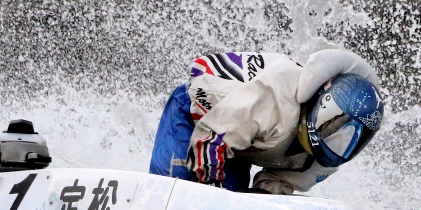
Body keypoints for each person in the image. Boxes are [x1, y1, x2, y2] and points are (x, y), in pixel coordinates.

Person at [149, 49, 384, 195]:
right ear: (323, 102)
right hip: (197, 116)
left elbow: (273, 186)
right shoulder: (278, 100)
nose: (337, 140)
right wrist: (212, 190)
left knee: (234, 209)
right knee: (176, 193)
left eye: (352, 138)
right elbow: (210, 138)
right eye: (333, 124)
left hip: (238, 144)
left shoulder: (325, 163)